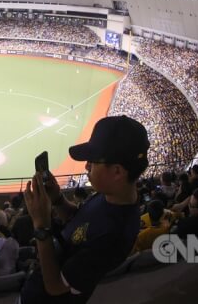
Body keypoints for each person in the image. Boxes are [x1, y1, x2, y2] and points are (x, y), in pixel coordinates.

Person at [19, 115, 148, 303]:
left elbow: (55, 287)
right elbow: (80, 221)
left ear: (117, 171)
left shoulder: (114, 236)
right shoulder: (109, 194)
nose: (86, 166)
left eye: (93, 161)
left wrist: (41, 226)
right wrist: (57, 199)